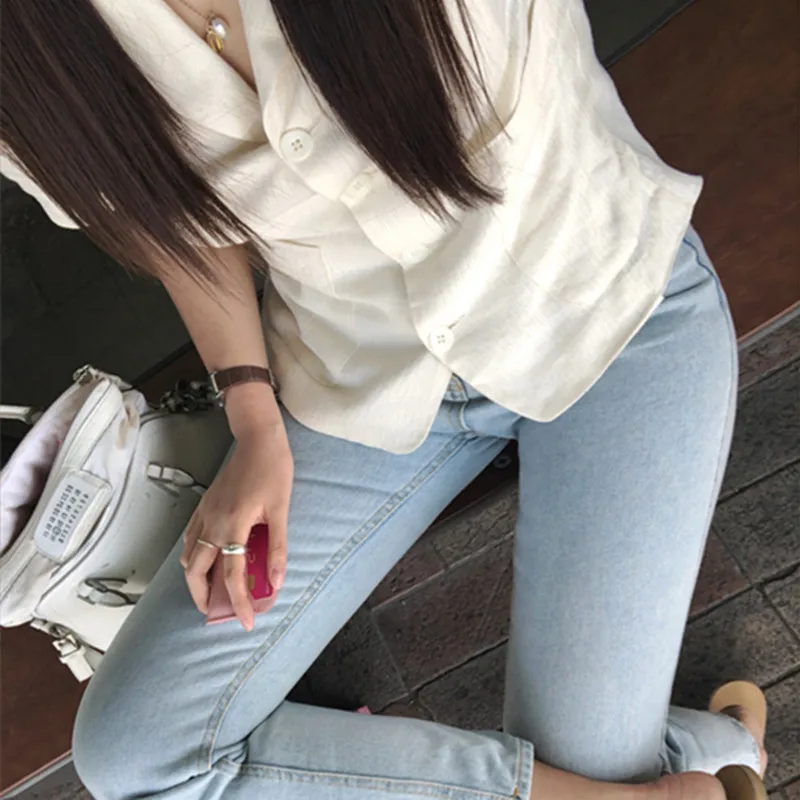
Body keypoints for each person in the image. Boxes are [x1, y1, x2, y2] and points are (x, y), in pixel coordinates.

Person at [0, 1, 769, 798]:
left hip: (608, 311)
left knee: (593, 770)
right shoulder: (30, 48)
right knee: (137, 755)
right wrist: (251, 413)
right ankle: (701, 758)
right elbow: (176, 221)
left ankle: (708, 750)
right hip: (357, 374)